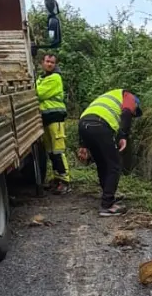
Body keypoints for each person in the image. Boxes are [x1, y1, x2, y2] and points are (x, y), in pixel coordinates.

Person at [76, 89, 142, 216]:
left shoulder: (108, 96)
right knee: (115, 165)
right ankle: (107, 205)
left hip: (84, 123)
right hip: (100, 125)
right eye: (135, 113)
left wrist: (83, 144)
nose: (133, 115)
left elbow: (90, 116)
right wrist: (123, 136)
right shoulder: (129, 96)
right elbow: (127, 112)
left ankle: (108, 195)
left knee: (102, 163)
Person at [35, 53, 71, 194]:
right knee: (51, 152)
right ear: (42, 63)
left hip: (55, 118)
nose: (49, 64)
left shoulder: (55, 78)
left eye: (52, 62)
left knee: (58, 151)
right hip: (46, 119)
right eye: (47, 61)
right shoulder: (42, 78)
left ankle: (65, 181)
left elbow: (39, 93)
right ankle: (57, 180)